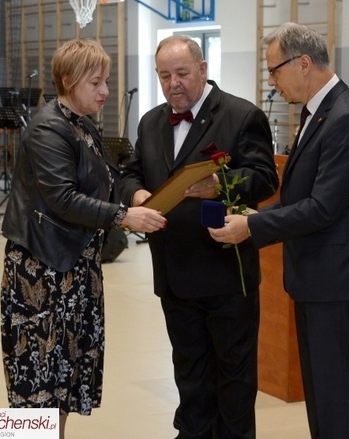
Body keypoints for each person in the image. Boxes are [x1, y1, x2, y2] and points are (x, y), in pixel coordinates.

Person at [208, 22, 349, 439]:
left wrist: (253, 226)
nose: (272, 81)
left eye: (274, 70)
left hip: (338, 279)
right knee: (321, 393)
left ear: (303, 64)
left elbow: (322, 208)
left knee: (336, 394)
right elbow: (301, 196)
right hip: (318, 277)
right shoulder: (320, 112)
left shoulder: (347, 118)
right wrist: (254, 213)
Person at [0, 39, 167, 438]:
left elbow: (108, 179)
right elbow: (63, 199)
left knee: (64, 377)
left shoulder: (80, 124)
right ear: (68, 80)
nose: (105, 91)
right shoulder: (48, 128)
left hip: (75, 269)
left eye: (106, 81)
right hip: (44, 273)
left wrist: (136, 195)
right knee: (41, 381)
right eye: (96, 82)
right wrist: (123, 216)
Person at [120, 35, 279, 438]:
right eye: (164, 76)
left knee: (234, 380)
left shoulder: (242, 115)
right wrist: (136, 195)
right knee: (189, 375)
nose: (173, 83)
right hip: (173, 274)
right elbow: (131, 173)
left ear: (203, 69)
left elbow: (264, 178)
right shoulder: (151, 122)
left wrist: (219, 183)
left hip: (225, 275)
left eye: (182, 73)